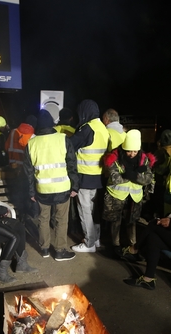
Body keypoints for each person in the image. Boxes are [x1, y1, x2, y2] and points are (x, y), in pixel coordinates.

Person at [24, 110, 79, 261]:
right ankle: (60, 251)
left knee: (43, 219)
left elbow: (28, 172)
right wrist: (75, 186)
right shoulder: (63, 139)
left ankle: (44, 249)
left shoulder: (31, 144)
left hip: (42, 190)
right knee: (61, 220)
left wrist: (31, 193)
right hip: (62, 189)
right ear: (52, 124)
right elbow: (72, 164)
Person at [102, 130, 155, 255]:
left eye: (135, 151)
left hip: (134, 197)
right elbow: (115, 178)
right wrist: (134, 174)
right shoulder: (114, 158)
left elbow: (148, 179)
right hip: (117, 196)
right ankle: (116, 245)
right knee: (116, 221)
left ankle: (132, 245)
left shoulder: (144, 159)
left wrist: (134, 175)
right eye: (129, 151)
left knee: (132, 222)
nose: (132, 154)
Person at [69, 99, 110, 253]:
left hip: (85, 176)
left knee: (85, 210)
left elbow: (70, 145)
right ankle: (96, 239)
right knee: (93, 210)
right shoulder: (103, 128)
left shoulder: (87, 129)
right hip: (98, 176)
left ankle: (88, 243)